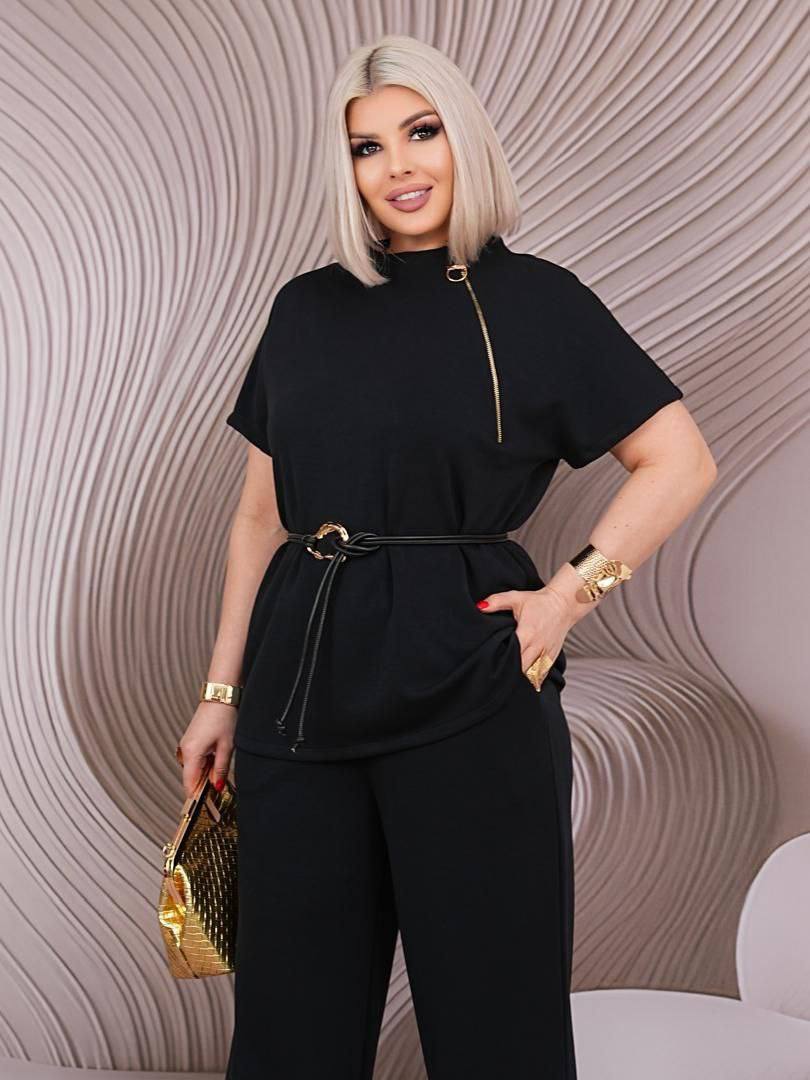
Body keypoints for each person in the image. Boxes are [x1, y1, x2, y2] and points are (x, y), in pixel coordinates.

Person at [176, 33, 717, 1080]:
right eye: (367, 147)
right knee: (289, 1025)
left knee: (493, 1017)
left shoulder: (540, 302)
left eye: (420, 132)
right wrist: (221, 693)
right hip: (300, 683)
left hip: (470, 672)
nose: (400, 167)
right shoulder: (306, 308)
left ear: (462, 136)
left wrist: (568, 597)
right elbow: (258, 519)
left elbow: (679, 462)